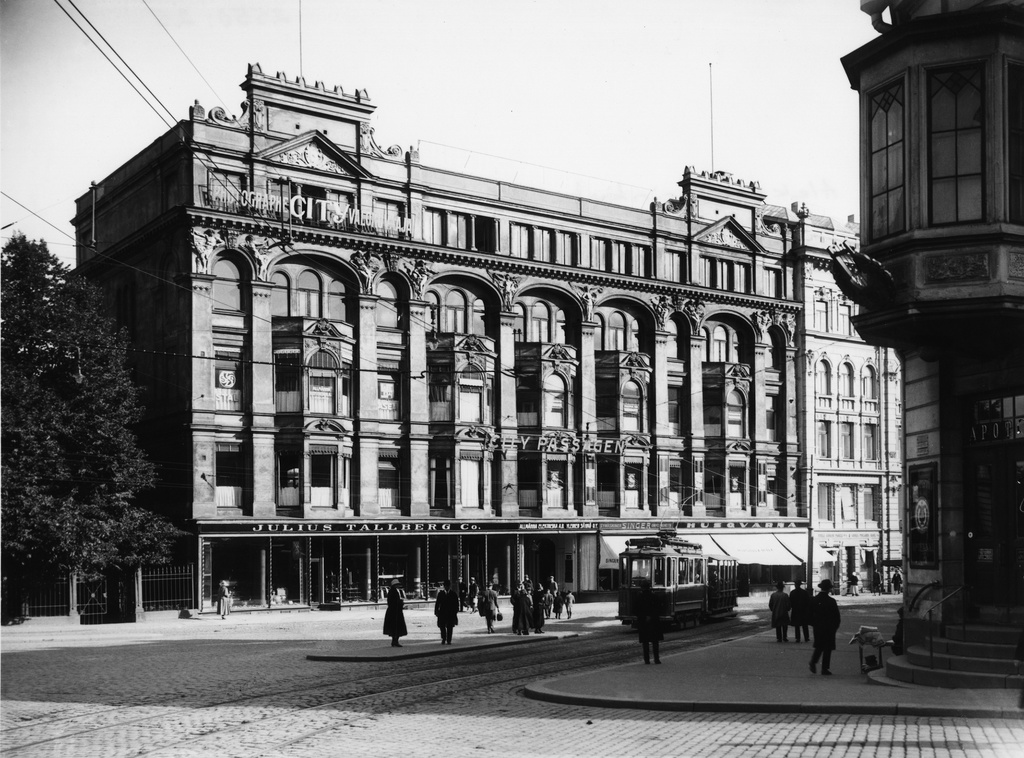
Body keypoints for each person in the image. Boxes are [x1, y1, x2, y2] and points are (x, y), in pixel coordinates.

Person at [809, 578, 841, 675]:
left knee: (819, 646)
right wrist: (835, 627)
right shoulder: (831, 601)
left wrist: (814, 624)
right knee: (828, 648)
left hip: (818, 627)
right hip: (829, 627)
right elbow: (836, 617)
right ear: (828, 589)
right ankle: (825, 668)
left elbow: (809, 614)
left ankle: (813, 662)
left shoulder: (814, 600)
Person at [634, 581, 663, 664]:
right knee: (655, 641)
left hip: (643, 621)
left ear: (642, 588)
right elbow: (659, 609)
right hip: (654, 621)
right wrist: (651, 616)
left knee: (645, 642)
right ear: (649, 587)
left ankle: (646, 660)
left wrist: (643, 616)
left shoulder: (639, 598)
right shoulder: (654, 597)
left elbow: (635, 610)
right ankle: (656, 659)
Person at [434, 578, 460, 645]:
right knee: (442, 627)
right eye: (445, 586)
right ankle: (443, 638)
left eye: (447, 586)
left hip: (450, 613)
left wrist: (455, 611)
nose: (446, 587)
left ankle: (449, 640)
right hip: (442, 613)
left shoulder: (453, 594)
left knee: (449, 627)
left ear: (449, 586)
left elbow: (456, 604)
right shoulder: (441, 594)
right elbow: (437, 603)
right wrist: (436, 611)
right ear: (444, 586)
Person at [383, 579, 408, 647]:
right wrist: (401, 603)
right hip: (395, 612)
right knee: (396, 627)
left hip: (393, 612)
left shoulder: (392, 591)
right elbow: (394, 602)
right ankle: (395, 641)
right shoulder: (394, 592)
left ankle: (394, 641)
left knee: (394, 628)